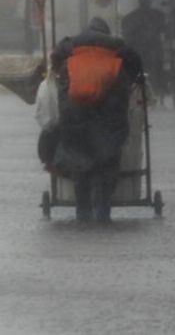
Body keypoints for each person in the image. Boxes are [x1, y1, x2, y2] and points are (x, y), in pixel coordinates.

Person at [48, 17, 143, 223]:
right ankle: (103, 209)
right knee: (108, 156)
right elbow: (136, 65)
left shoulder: (70, 43)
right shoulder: (118, 45)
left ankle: (82, 210)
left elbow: (54, 59)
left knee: (79, 155)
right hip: (111, 106)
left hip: (75, 107)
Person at [121, 0, 166, 98]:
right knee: (153, 72)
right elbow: (164, 31)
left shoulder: (129, 17)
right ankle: (156, 92)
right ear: (149, 3)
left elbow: (126, 35)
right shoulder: (158, 15)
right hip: (152, 51)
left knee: (137, 73)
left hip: (137, 51)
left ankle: (139, 92)